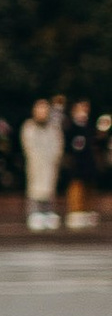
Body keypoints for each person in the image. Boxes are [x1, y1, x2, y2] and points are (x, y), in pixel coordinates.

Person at [22, 96, 64, 233]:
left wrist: (55, 158)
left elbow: (58, 144)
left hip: (49, 163)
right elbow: (28, 146)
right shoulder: (29, 127)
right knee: (35, 187)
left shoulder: (53, 128)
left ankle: (48, 212)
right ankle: (35, 213)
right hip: (36, 163)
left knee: (49, 187)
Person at [63, 99, 97, 232]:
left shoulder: (89, 125)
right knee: (76, 187)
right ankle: (75, 211)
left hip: (88, 163)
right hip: (76, 163)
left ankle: (86, 210)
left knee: (89, 186)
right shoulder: (70, 125)